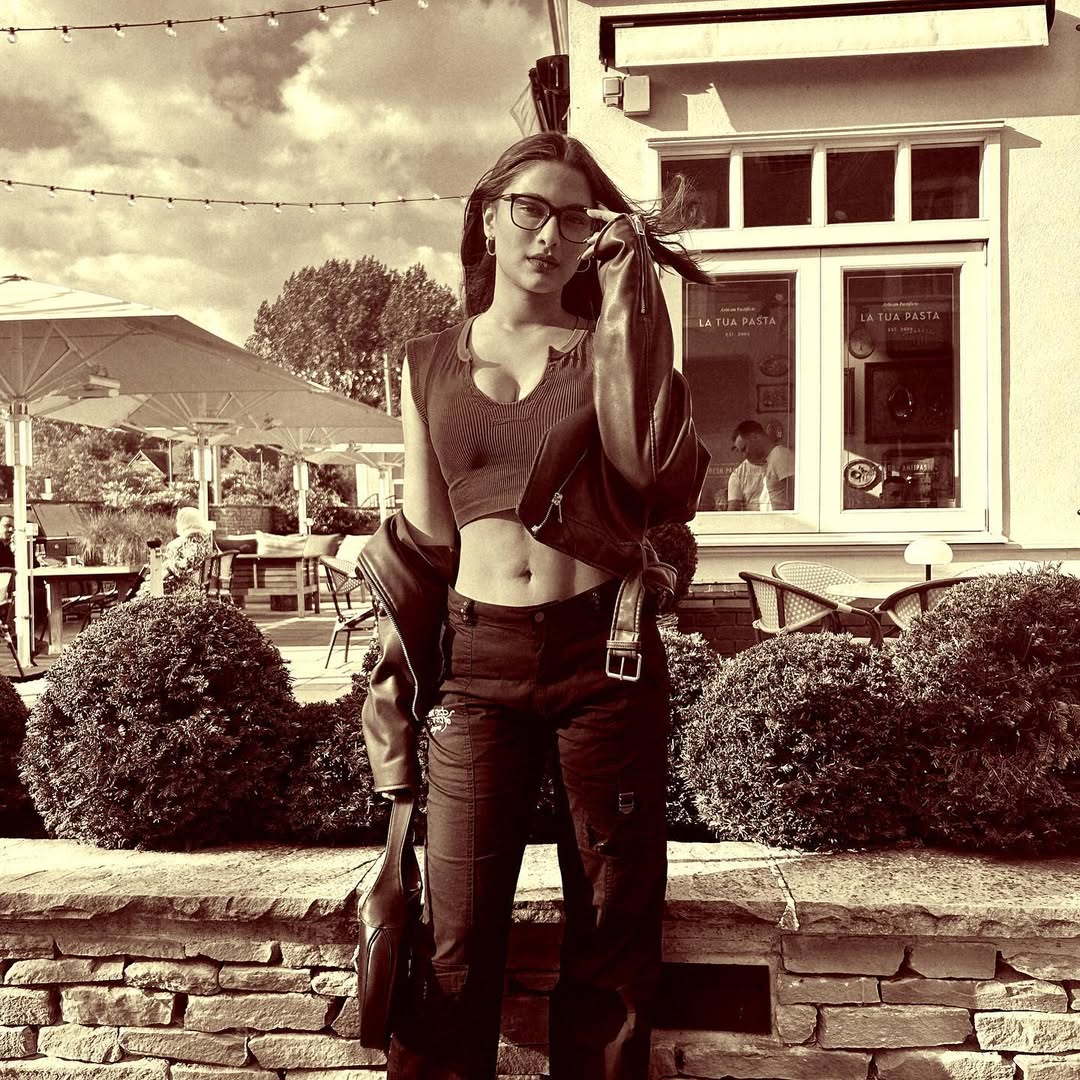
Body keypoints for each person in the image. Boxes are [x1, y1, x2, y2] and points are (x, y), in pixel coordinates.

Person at [357, 132, 711, 1079]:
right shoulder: (424, 361)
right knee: (456, 930)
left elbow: (662, 481)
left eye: (576, 219)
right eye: (531, 210)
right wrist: (394, 682)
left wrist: (635, 306)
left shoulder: (613, 353)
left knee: (612, 923)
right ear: (488, 217)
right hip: (479, 665)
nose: (551, 235)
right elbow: (429, 540)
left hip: (605, 657)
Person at [0, 514, 50, 650]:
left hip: (15, 588)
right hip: (4, 590)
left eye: (13, 527)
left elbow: (32, 567)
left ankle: (25, 640)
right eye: (7, 526)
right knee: (26, 595)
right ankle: (20, 639)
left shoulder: (16, 547)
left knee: (39, 594)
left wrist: (18, 551)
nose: (10, 530)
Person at [139, 507, 213, 596]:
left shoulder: (191, 541)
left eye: (179, 521)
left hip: (184, 587)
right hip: (193, 585)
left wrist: (161, 576)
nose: (177, 524)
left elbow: (183, 565)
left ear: (186, 522)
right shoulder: (203, 540)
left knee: (147, 589)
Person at [726, 420, 795, 511]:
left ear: (754, 437)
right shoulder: (772, 459)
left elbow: (795, 496)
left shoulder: (780, 455)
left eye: (744, 448)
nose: (744, 455)